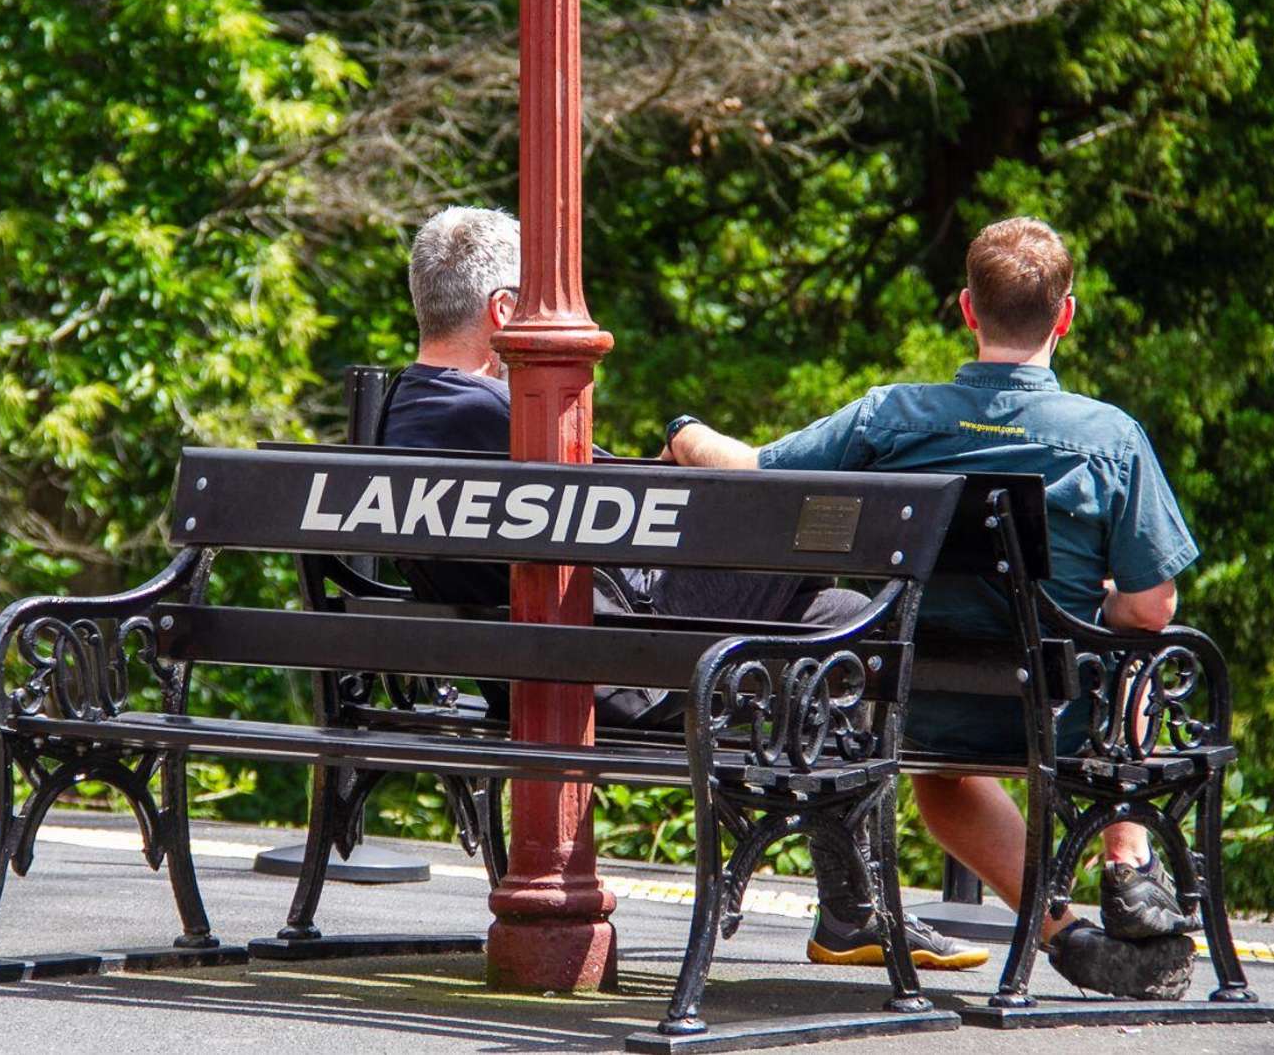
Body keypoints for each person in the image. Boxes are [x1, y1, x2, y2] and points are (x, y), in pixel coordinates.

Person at [381, 205, 988, 971]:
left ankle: (852, 911)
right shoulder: (508, 415)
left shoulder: (403, 413)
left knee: (835, 620)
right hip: (613, 674)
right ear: (506, 312)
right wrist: (689, 437)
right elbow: (642, 503)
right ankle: (851, 909)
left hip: (532, 664)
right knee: (822, 560)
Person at [662, 216, 1202, 998]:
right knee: (1148, 661)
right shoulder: (1109, 437)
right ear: (1067, 315)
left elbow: (753, 471)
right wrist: (1102, 608)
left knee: (942, 781)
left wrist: (686, 435)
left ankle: (1063, 931)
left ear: (967, 309)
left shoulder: (891, 418)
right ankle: (1126, 855)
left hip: (913, 707)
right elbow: (1153, 608)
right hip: (1058, 713)